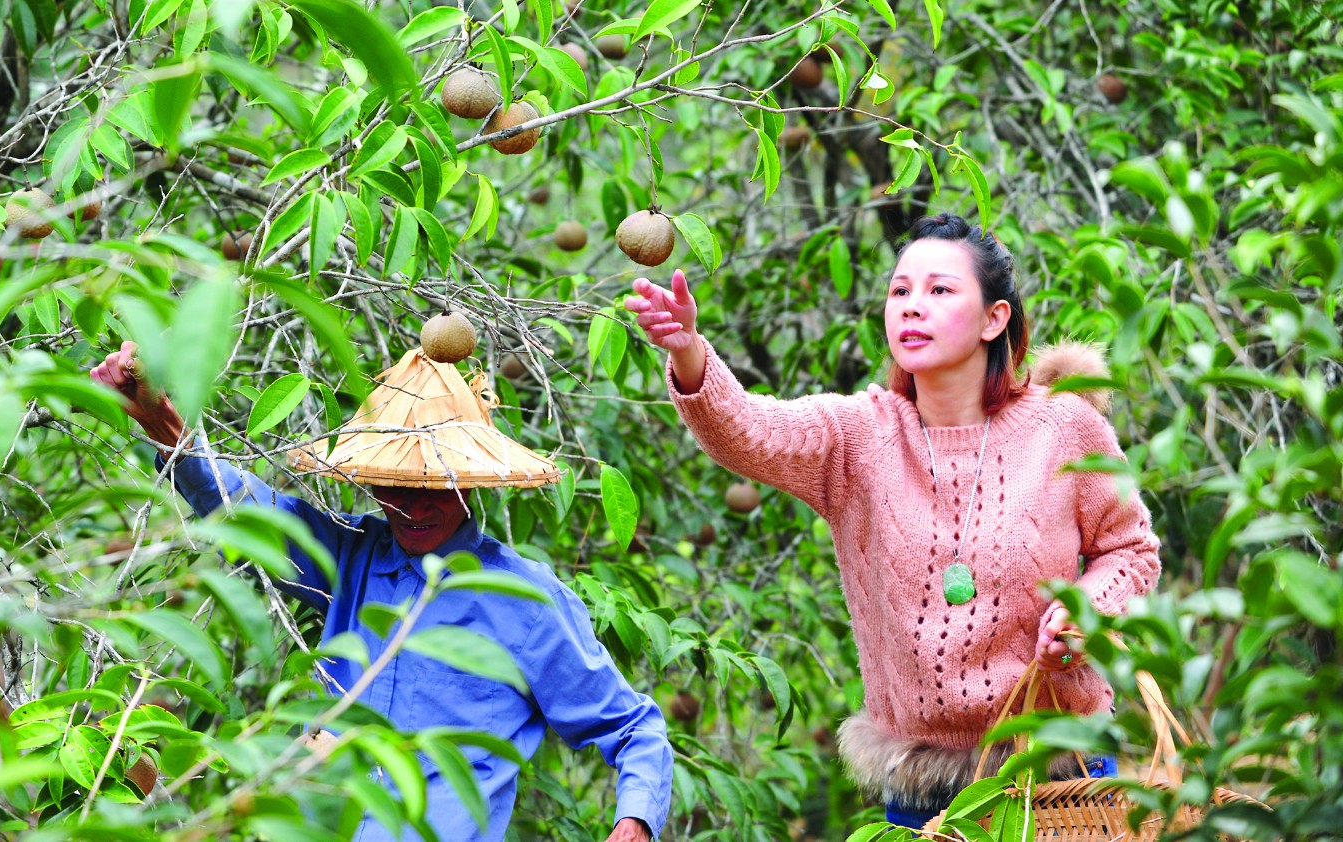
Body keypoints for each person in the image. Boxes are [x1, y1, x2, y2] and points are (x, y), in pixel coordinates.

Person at [624, 213, 1161, 828]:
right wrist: (689, 350)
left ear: (995, 319)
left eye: (939, 290)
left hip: (1063, 781)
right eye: (899, 291)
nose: (911, 306)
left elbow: (1131, 552)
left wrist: (1085, 611)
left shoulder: (1063, 427)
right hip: (920, 792)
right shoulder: (860, 434)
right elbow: (747, 430)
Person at [90, 342, 671, 842]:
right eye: (393, 487)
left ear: (469, 484)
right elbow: (253, 513)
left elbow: (630, 727)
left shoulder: (526, 602)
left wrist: (635, 823)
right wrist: (165, 427)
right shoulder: (351, 556)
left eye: (433, 488)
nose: (412, 508)